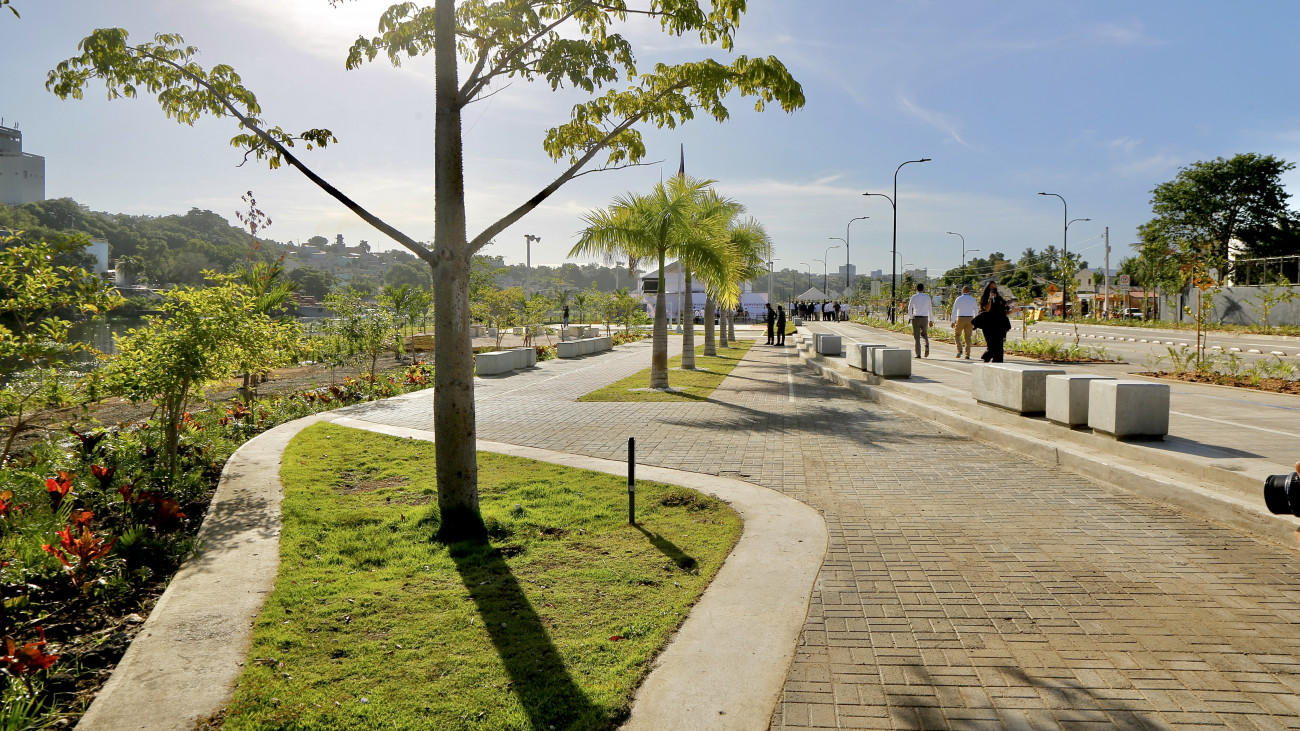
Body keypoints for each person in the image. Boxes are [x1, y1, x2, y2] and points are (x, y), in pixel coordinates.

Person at [971, 282, 1011, 363]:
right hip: (988, 324)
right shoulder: (985, 298)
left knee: (999, 346)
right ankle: (986, 357)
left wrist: (1013, 310)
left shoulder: (999, 299)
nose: (993, 290)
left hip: (999, 324)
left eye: (994, 288)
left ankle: (996, 361)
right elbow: (987, 309)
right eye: (991, 288)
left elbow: (1004, 311)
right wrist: (990, 299)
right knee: (991, 345)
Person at [949, 285, 978, 359]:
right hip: (970, 318)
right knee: (968, 337)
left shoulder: (959, 299)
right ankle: (967, 354)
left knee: (957, 335)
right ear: (969, 291)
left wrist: (953, 321)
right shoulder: (972, 299)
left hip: (960, 318)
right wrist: (976, 321)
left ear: (962, 291)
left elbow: (954, 310)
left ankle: (960, 349)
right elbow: (976, 310)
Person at [907, 283, 934, 358]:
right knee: (924, 334)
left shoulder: (914, 297)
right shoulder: (927, 297)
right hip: (925, 318)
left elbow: (909, 308)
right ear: (923, 289)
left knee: (917, 337)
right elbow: (930, 309)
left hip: (916, 318)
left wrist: (911, 317)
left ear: (916, 289)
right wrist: (931, 320)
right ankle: (927, 344)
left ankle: (918, 354)